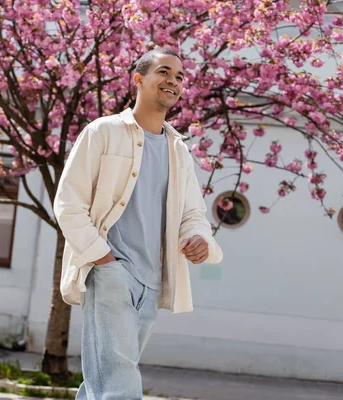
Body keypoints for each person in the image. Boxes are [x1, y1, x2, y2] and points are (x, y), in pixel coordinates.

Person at [53, 47, 224, 399]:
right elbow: (69, 202)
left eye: (179, 77)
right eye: (164, 72)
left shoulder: (179, 150)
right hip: (112, 272)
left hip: (152, 280)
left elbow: (194, 213)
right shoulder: (103, 132)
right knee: (119, 380)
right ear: (139, 79)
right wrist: (104, 259)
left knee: (104, 380)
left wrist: (198, 238)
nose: (173, 81)